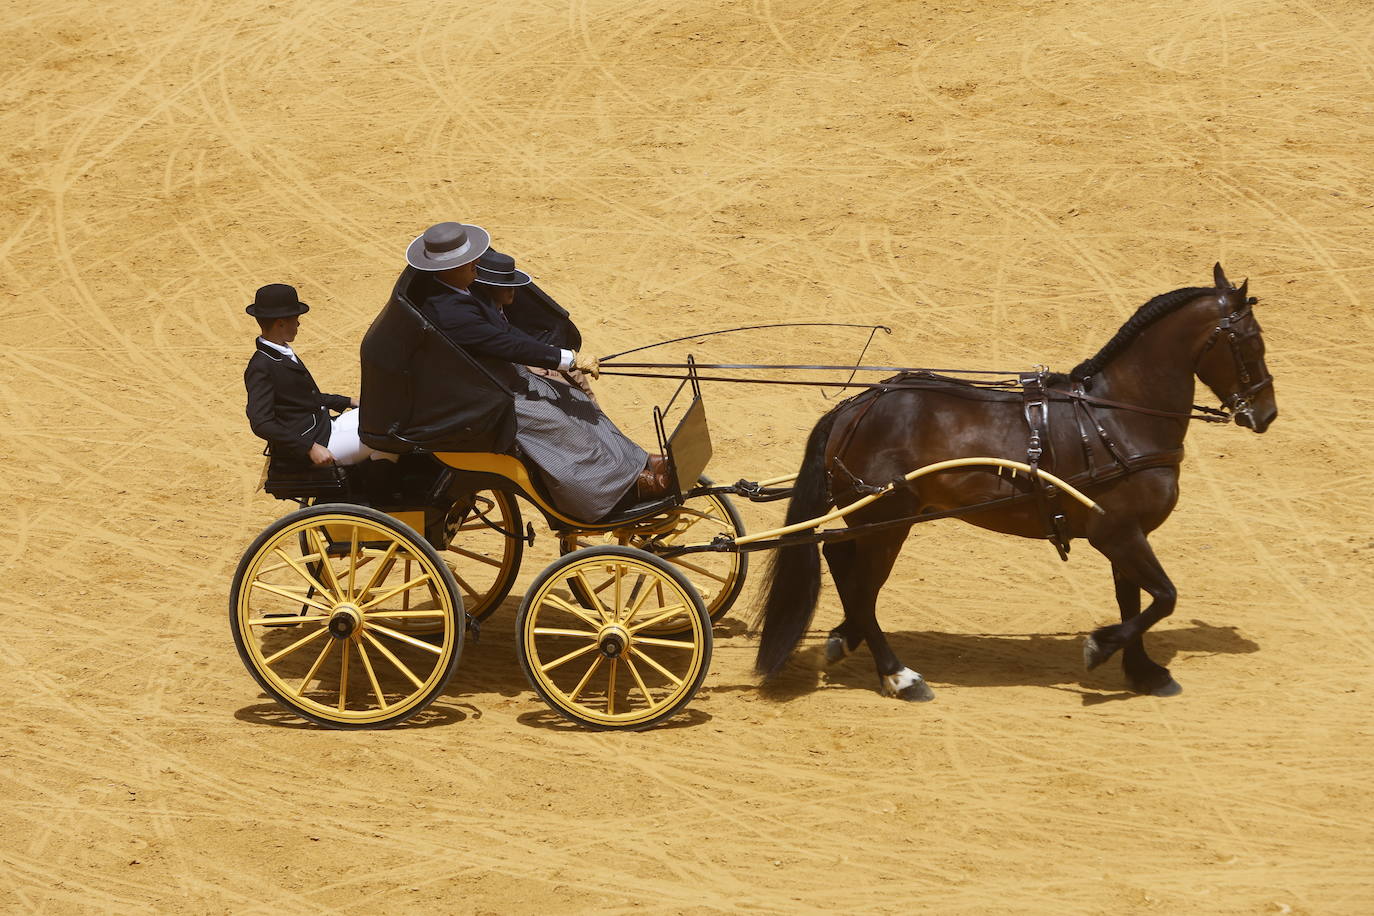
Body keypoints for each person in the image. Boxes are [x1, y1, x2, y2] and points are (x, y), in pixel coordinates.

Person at [404, 221, 669, 519]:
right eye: (467, 262)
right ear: (447, 268)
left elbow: (509, 335)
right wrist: (565, 359)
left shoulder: (462, 291)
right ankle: (613, 490)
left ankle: (635, 462)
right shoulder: (449, 309)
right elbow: (505, 344)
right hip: (479, 398)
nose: (476, 265)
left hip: (496, 381)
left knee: (574, 399)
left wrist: (566, 360)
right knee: (556, 422)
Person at [244, 283, 378, 467]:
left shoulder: (280, 352)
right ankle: (382, 490)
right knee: (387, 435)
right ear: (280, 323)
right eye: (295, 319)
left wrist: (349, 401)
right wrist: (309, 447)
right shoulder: (261, 365)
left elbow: (305, 398)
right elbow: (261, 422)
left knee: (387, 415)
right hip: (319, 442)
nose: (298, 323)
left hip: (325, 427)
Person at [470, 248, 598, 403]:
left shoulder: (507, 308)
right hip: (509, 371)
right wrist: (536, 363)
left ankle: (599, 418)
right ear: (487, 288)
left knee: (576, 375)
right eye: (504, 286)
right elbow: (505, 346)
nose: (512, 290)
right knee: (564, 387)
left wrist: (555, 354)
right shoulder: (479, 315)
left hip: (527, 356)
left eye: (513, 284)